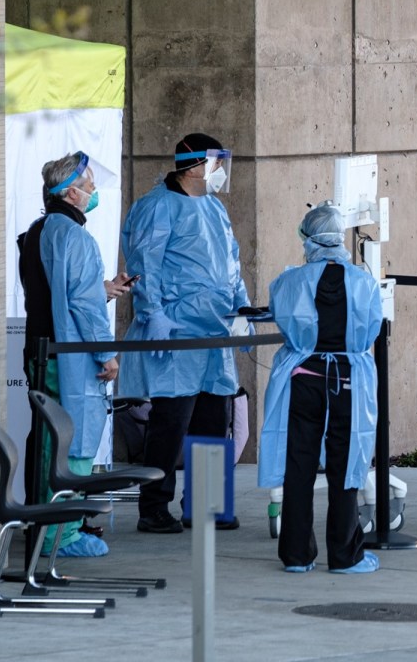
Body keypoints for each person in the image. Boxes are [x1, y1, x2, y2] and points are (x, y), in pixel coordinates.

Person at [121, 132, 250, 534]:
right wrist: (153, 313)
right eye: (215, 163)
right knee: (170, 423)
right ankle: (153, 507)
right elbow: (145, 263)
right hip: (176, 330)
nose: (220, 171)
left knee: (213, 419)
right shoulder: (157, 207)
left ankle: (208, 505)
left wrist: (241, 306)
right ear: (195, 166)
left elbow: (231, 261)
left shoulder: (214, 207)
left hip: (214, 330)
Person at [259, 202, 382, 574]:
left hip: (303, 381)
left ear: (309, 238)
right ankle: (346, 555)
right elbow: (371, 329)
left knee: (299, 464)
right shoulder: (364, 282)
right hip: (348, 381)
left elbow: (281, 317)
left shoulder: (288, 281)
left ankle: (296, 555)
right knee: (346, 466)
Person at [17, 151, 124, 558]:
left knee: (49, 440)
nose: (94, 192)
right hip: (70, 358)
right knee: (70, 443)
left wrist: (102, 289)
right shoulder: (76, 237)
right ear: (71, 193)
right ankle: (62, 532)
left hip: (42, 352)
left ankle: (49, 527)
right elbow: (83, 306)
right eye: (90, 185)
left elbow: (58, 294)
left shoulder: (38, 230)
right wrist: (106, 355)